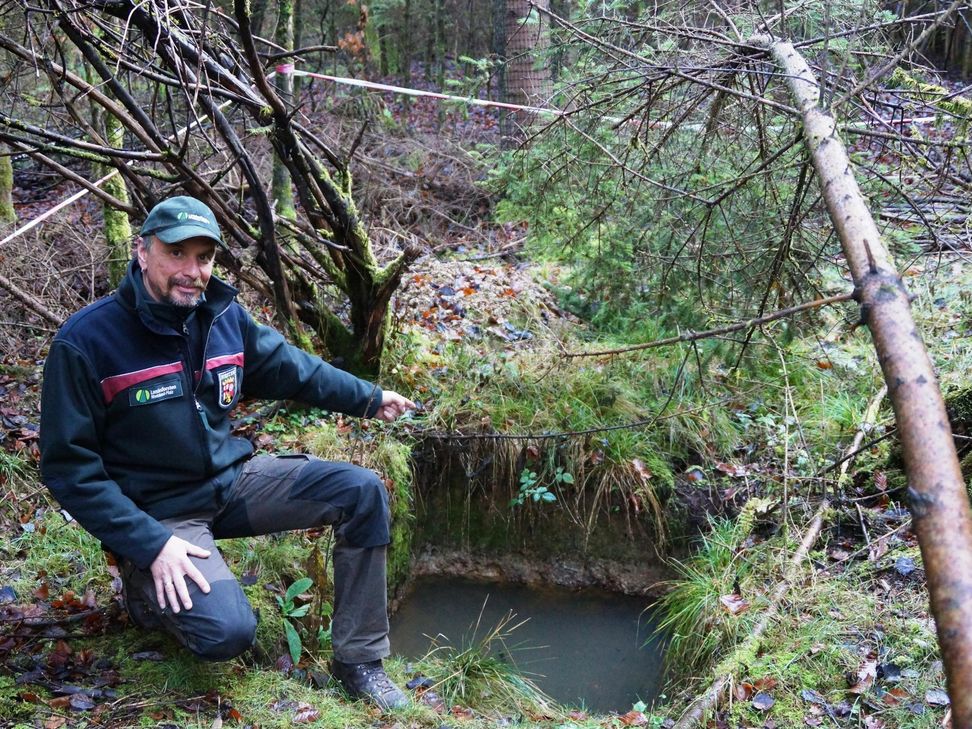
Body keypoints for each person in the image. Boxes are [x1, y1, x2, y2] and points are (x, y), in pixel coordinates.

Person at [39, 196, 415, 710]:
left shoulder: (221, 315)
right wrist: (149, 543)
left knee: (361, 492)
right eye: (177, 254)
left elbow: (292, 368)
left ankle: (360, 663)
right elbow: (69, 470)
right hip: (162, 515)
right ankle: (144, 588)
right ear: (143, 252)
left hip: (231, 483)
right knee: (228, 633)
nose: (193, 272)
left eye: (205, 257)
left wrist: (369, 398)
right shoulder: (86, 342)